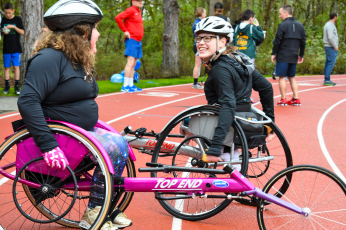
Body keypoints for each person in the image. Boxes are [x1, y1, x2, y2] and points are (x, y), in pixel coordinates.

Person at [17, 1, 131, 229]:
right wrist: (48, 146)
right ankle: (94, 212)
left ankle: (103, 205)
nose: (98, 34)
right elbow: (28, 101)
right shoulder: (49, 59)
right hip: (60, 136)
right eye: (95, 29)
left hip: (78, 133)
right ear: (83, 31)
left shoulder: (77, 60)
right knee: (114, 145)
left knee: (121, 144)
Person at [193, 16, 274, 162]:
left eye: (207, 38)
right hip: (243, 125)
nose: (201, 43)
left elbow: (228, 105)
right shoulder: (238, 60)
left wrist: (215, 148)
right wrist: (269, 123)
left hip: (224, 130)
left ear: (223, 41)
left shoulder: (220, 69)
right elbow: (266, 87)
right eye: (198, 39)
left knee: (188, 120)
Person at [271, 5, 306, 106]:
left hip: (283, 54)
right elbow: (303, 41)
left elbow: (277, 40)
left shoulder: (282, 25)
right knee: (292, 77)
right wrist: (301, 54)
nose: (279, 16)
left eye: (280, 13)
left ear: (286, 13)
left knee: (282, 77)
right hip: (294, 54)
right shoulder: (300, 25)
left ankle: (283, 99)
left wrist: (273, 53)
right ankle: (296, 98)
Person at [115, 0, 144, 93]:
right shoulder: (131, 10)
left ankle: (131, 85)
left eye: (141, 1)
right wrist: (125, 30)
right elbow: (118, 17)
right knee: (130, 62)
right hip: (131, 40)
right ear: (133, 1)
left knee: (134, 64)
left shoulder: (138, 11)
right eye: (139, 1)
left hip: (138, 41)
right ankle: (125, 86)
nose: (141, 2)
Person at [1, 2, 24, 95]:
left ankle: (17, 87)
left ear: (13, 11)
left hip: (16, 47)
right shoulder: (3, 19)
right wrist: (4, 32)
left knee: (16, 67)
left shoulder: (18, 19)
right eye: (6, 13)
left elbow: (22, 32)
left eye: (9, 13)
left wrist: (14, 27)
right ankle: (7, 87)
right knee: (7, 67)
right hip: (6, 47)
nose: (7, 15)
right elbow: (1, 32)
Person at [192, 7, 207, 89]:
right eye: (205, 12)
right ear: (201, 13)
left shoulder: (199, 22)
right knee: (198, 65)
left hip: (199, 44)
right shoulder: (198, 23)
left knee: (200, 64)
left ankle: (196, 83)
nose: (206, 14)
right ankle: (195, 83)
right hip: (199, 45)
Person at [323, 12, 339, 86]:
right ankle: (327, 79)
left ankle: (327, 79)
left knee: (328, 63)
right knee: (330, 63)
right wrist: (335, 46)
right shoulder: (330, 25)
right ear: (335, 17)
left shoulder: (329, 24)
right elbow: (330, 37)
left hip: (329, 47)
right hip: (331, 47)